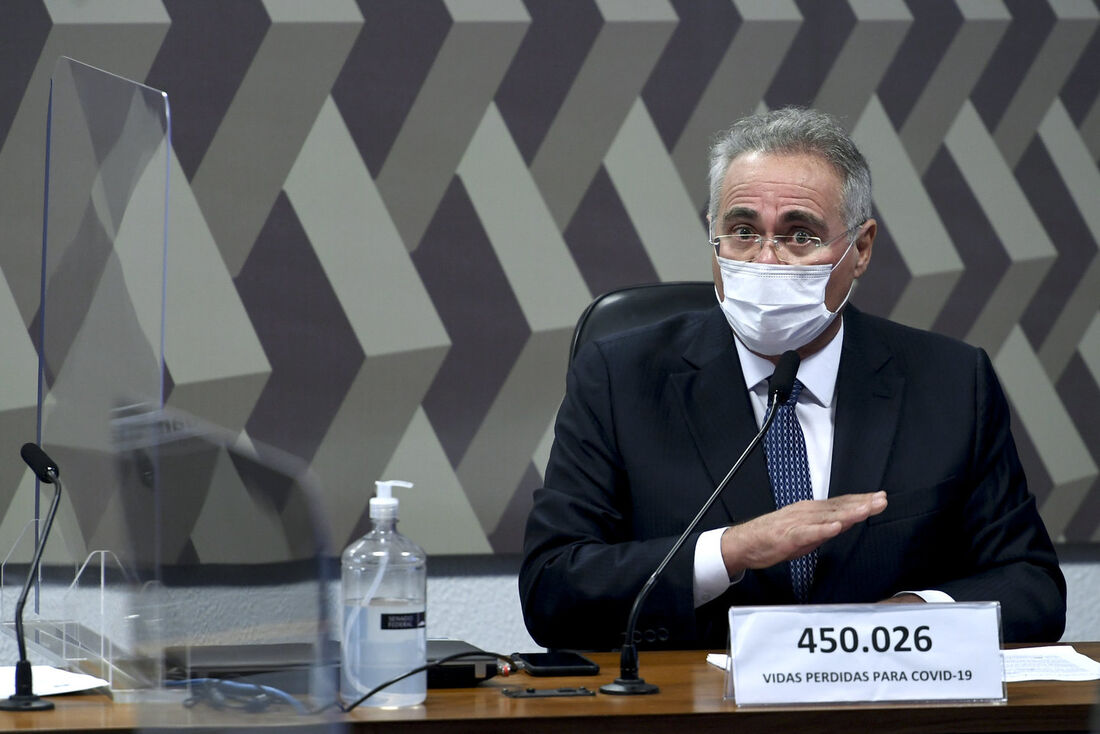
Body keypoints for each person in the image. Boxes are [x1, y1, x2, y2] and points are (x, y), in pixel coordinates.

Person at [519, 107, 1066, 651]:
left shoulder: (949, 383)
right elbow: (552, 588)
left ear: (861, 249)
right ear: (712, 235)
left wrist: (910, 622)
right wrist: (730, 550)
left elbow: (1031, 586)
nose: (766, 260)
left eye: (799, 235)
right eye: (742, 231)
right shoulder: (621, 379)